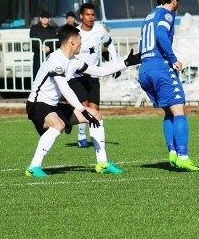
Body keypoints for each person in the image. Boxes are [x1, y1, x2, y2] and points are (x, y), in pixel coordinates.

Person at [25, 24, 141, 178]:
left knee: (96, 115)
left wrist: (125, 63)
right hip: (37, 104)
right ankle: (33, 167)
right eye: (80, 40)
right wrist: (81, 109)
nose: (82, 44)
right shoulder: (56, 60)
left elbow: (99, 71)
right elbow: (65, 88)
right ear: (72, 41)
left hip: (53, 105)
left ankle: (102, 164)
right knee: (58, 125)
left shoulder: (73, 61)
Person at [137, 0, 199, 171]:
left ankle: (172, 153)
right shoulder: (166, 14)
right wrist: (173, 59)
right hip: (160, 67)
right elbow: (161, 34)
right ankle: (183, 156)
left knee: (169, 112)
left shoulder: (149, 16)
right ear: (174, 1)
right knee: (180, 110)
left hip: (145, 68)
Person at [69, 2, 118, 148]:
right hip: (77, 75)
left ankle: (96, 139)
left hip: (94, 75)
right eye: (87, 15)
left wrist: (116, 63)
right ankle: (81, 136)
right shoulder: (75, 33)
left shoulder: (100, 29)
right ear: (81, 16)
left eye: (92, 15)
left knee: (95, 109)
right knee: (83, 106)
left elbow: (109, 43)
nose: (90, 17)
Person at [29, 10, 57, 79]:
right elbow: (33, 40)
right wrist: (41, 47)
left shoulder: (53, 29)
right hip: (38, 54)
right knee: (37, 74)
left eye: (46, 17)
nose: (44, 19)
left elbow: (56, 40)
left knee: (50, 74)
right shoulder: (34, 28)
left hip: (49, 55)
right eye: (43, 17)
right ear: (40, 18)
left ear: (49, 19)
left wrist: (49, 48)